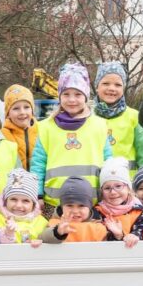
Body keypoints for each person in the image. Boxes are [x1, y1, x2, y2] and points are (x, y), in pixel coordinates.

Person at [33, 63, 113, 206]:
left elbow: (109, 163)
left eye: (77, 94)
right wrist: (37, 194)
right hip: (54, 203)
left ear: (86, 96)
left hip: (91, 202)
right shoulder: (46, 127)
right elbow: (38, 164)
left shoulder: (99, 125)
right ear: (59, 96)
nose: (71, 100)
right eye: (66, 94)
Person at [93, 61, 143, 174]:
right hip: (95, 182)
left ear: (123, 88)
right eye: (106, 83)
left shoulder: (134, 116)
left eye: (118, 85)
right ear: (97, 87)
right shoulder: (88, 117)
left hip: (127, 184)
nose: (111, 88)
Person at [41, 177, 111, 243]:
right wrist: (57, 232)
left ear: (89, 207)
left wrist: (118, 236)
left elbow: (110, 248)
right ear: (62, 207)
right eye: (69, 205)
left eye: (81, 206)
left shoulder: (98, 227)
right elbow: (42, 237)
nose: (75, 211)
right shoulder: (54, 224)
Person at [0, 168, 47, 246]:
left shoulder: (42, 223)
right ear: (5, 201)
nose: (18, 205)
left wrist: (42, 243)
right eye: (13, 199)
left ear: (34, 204)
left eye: (25, 201)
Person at [95, 157, 143, 243]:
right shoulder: (98, 212)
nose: (113, 192)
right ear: (102, 192)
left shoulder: (138, 211)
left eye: (118, 186)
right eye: (107, 188)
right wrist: (117, 235)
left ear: (128, 188)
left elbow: (141, 233)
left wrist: (132, 236)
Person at [2, 84, 38, 171]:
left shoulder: (42, 131)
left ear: (32, 110)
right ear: (8, 113)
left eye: (26, 107)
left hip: (39, 183)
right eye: (16, 108)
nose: (22, 112)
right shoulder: (2, 135)